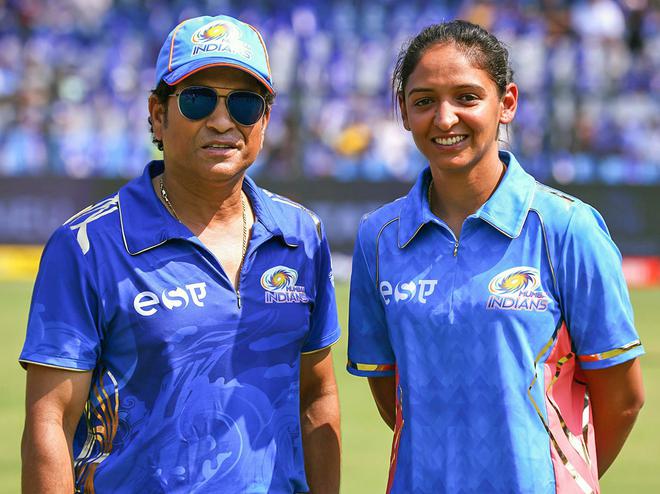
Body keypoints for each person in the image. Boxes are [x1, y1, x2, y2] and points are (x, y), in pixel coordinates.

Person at [20, 14, 341, 493]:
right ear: (157, 113)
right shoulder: (87, 245)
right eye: (197, 99)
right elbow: (50, 423)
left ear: (265, 120)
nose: (221, 120)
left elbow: (317, 396)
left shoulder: (301, 235)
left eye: (245, 104)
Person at [347, 20, 644, 493]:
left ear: (506, 104)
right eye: (424, 101)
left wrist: (550, 479)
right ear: (403, 112)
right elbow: (397, 400)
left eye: (466, 97)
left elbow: (623, 397)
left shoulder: (567, 227)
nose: (445, 119)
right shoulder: (378, 237)